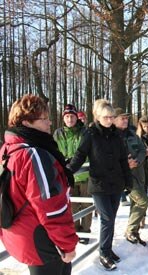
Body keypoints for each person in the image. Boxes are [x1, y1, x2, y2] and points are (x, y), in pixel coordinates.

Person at [0, 94, 77, 274]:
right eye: (44, 119)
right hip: (42, 241)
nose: (50, 123)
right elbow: (51, 207)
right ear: (27, 123)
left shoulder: (8, 149)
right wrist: (67, 244)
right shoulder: (33, 155)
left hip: (20, 234)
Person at [69, 99, 132, 271]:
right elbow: (80, 155)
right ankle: (104, 252)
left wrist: (128, 181)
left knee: (110, 219)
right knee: (107, 218)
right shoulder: (90, 134)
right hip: (99, 184)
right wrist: (68, 171)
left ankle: (108, 249)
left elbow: (122, 160)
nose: (110, 120)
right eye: (106, 117)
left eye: (112, 117)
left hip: (116, 184)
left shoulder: (116, 135)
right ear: (98, 117)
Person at [54, 104, 92, 244]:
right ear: (64, 118)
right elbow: (54, 150)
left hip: (85, 175)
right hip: (68, 176)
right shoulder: (58, 133)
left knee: (86, 204)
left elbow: (87, 152)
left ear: (77, 117)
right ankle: (75, 230)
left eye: (72, 116)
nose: (70, 119)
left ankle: (85, 231)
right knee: (72, 205)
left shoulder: (84, 132)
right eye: (67, 116)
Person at [113, 108, 148, 246]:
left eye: (127, 118)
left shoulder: (133, 134)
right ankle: (130, 230)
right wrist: (126, 164)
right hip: (124, 175)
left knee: (136, 203)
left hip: (139, 172)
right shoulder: (112, 136)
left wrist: (137, 161)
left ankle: (134, 233)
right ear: (114, 119)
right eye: (122, 118)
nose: (125, 120)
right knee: (143, 201)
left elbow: (142, 150)